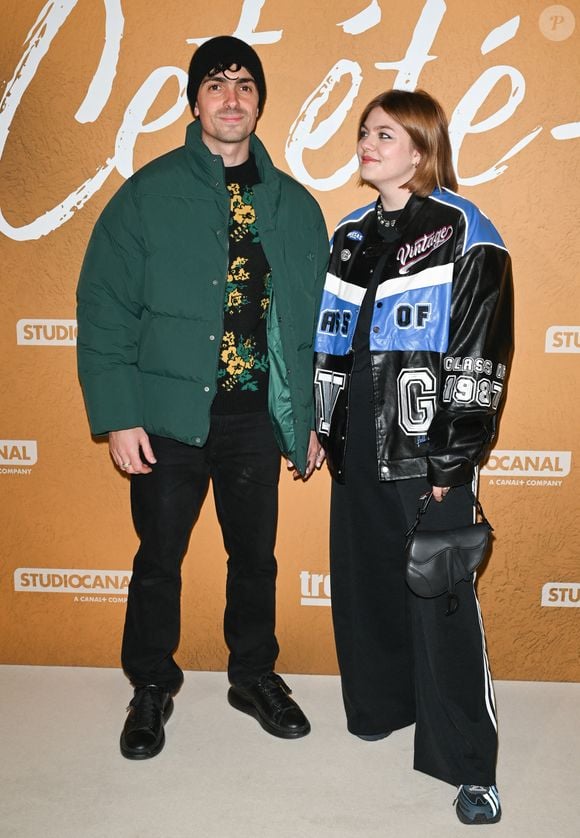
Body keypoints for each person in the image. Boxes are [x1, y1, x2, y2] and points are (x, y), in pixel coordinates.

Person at [76, 36, 328, 760]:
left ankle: (253, 675)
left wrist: (307, 417)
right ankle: (151, 685)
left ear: (258, 103)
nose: (231, 96)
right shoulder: (148, 194)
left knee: (256, 557)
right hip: (167, 421)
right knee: (159, 558)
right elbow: (105, 308)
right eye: (216, 83)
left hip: (255, 419)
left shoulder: (295, 206)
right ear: (195, 102)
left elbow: (316, 326)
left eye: (245, 84)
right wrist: (119, 414)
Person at [314, 89, 513, 824]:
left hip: (426, 448)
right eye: (364, 132)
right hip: (356, 445)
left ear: (422, 147)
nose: (367, 142)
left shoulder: (466, 227)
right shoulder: (352, 231)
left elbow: (481, 351)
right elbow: (331, 341)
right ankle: (382, 706)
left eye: (384, 133)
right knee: (366, 584)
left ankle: (471, 766)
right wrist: (320, 422)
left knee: (442, 600)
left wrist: (451, 462)